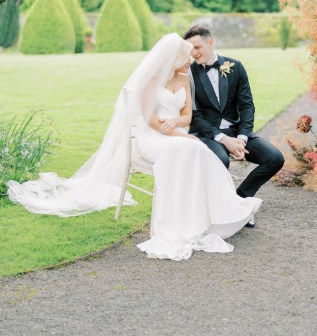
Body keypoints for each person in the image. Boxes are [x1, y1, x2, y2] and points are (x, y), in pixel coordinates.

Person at [8, 33, 261, 261]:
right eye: (186, 56)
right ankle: (178, 222)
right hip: (151, 137)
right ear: (174, 57)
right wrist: (175, 133)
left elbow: (186, 116)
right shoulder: (150, 80)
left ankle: (212, 215)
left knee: (198, 150)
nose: (191, 60)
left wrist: (176, 126)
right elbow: (149, 118)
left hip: (174, 133)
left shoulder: (184, 78)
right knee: (187, 148)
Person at [183, 24, 284, 225]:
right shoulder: (189, 73)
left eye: (197, 47)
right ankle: (224, 210)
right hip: (208, 134)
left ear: (210, 42)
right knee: (221, 161)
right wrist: (224, 139)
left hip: (238, 131)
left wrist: (241, 138)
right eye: (190, 49)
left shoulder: (235, 66)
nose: (193, 53)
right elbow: (194, 116)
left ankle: (240, 199)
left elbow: (247, 106)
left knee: (274, 158)